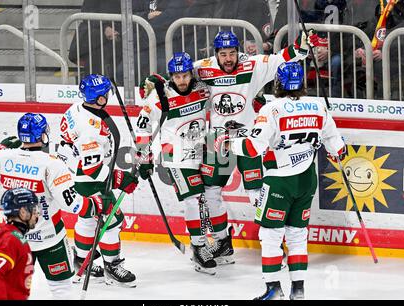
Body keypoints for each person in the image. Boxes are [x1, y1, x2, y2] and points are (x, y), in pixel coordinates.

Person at [190, 30, 319, 265]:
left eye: (232, 53)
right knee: (209, 192)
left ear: (238, 52)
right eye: (223, 54)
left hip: (249, 140)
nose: (228, 59)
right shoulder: (203, 68)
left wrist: (300, 46)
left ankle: (274, 244)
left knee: (256, 193)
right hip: (217, 139)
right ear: (215, 53)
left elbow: (282, 58)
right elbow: (179, 77)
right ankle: (221, 242)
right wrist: (156, 83)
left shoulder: (253, 65)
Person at [228, 61, 346, 300]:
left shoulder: (271, 109)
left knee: (270, 236)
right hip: (307, 180)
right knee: (297, 236)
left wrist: (228, 142)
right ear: (301, 83)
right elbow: (339, 149)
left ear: (278, 83)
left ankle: (273, 290)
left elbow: (252, 148)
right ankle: (298, 291)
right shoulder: (318, 107)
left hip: (279, 182)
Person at [0, 113, 117, 299]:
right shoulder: (52, 164)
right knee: (61, 290)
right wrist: (96, 204)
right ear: (42, 135)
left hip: (16, 240)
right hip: (50, 239)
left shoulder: (3, 157)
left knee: (11, 290)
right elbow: (72, 203)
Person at [136, 52, 218, 274]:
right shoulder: (159, 97)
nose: (181, 80)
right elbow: (142, 126)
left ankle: (221, 241)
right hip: (176, 155)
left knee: (211, 196)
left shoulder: (203, 89)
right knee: (195, 199)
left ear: (191, 73)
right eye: (176, 76)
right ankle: (199, 248)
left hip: (204, 149)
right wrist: (144, 157)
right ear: (171, 76)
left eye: (185, 75)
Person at [57, 74, 139, 287]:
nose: (109, 96)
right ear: (100, 98)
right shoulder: (90, 129)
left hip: (71, 172)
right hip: (88, 179)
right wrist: (120, 178)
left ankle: (81, 260)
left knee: (87, 219)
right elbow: (92, 169)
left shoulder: (78, 107)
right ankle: (112, 265)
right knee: (112, 221)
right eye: (105, 94)